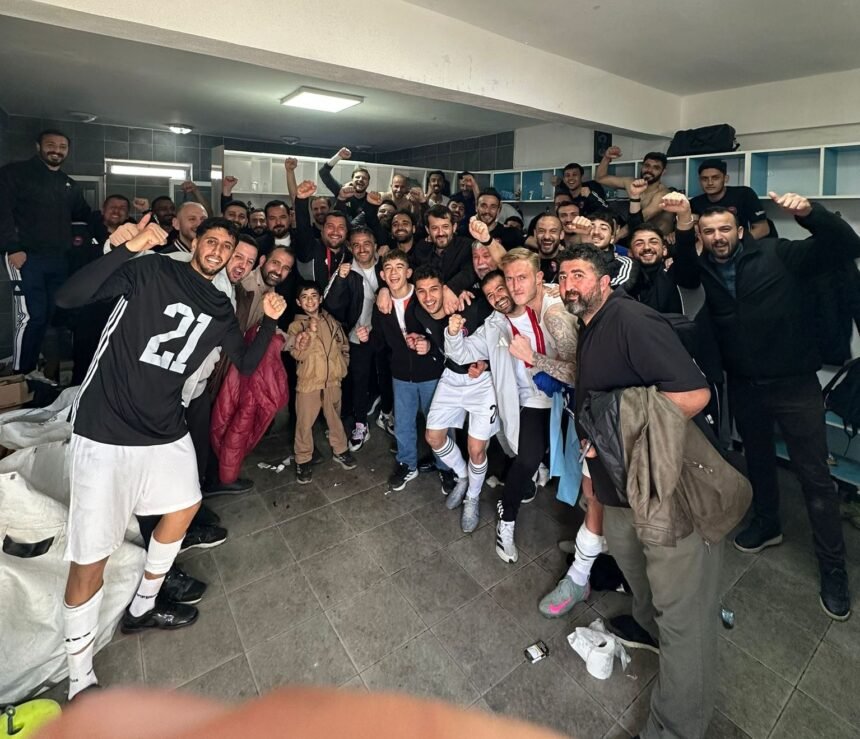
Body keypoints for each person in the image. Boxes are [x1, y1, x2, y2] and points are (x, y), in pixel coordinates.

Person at [54, 214, 286, 700]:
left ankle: (143, 605)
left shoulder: (220, 306)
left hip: (164, 426)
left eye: (227, 247)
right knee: (91, 557)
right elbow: (68, 298)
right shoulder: (152, 269)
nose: (219, 251)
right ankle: (79, 680)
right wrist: (130, 247)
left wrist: (268, 320)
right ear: (195, 242)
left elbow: (245, 364)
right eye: (212, 241)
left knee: (184, 505)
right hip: (107, 425)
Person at [671, 190, 858, 621]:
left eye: (724, 229)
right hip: (745, 384)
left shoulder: (780, 254)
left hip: (795, 385)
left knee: (815, 478)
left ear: (740, 231)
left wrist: (810, 213)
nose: (717, 237)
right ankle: (768, 523)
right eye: (708, 231)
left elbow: (848, 245)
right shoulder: (704, 266)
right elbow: (683, 273)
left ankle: (833, 570)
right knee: (757, 460)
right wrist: (682, 223)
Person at [561, 243, 718, 739]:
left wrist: (613, 429)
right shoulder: (591, 325)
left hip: (663, 491)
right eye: (563, 276)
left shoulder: (631, 320)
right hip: (619, 489)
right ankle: (649, 630)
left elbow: (693, 395)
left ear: (605, 280)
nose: (569, 284)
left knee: (684, 617)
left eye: (579, 274)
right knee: (637, 574)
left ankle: (674, 728)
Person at [446, 245, 576, 563]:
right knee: (527, 457)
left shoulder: (546, 306)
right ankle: (507, 517)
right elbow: (462, 352)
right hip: (532, 399)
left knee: (573, 459)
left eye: (501, 288)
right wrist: (453, 334)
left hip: (566, 392)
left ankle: (590, 540)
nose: (498, 296)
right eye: (490, 295)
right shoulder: (493, 326)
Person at [0, 128, 92, 374]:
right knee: (31, 316)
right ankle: (20, 373)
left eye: (62, 147)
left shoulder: (68, 184)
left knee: (49, 315)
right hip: (25, 256)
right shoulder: (15, 173)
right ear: (38, 147)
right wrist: (12, 248)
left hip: (58, 259)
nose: (56, 150)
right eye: (51, 145)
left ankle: (33, 367)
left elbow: (84, 215)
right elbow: (2, 211)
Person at [415, 266, 497, 532]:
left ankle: (472, 497)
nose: (428, 298)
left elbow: (500, 335)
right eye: (421, 291)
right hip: (451, 377)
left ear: (445, 289)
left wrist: (487, 364)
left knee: (477, 449)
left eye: (434, 289)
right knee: (433, 437)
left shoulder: (471, 305)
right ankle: (462, 477)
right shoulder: (419, 312)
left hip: (482, 381)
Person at [365, 250, 445, 491]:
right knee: (403, 424)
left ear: (409, 272)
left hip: (431, 372)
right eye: (388, 268)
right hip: (400, 374)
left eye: (399, 267)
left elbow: (444, 330)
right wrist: (367, 336)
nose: (394, 273)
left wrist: (429, 346)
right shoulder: (382, 304)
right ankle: (407, 463)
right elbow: (380, 342)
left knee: (439, 423)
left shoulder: (423, 296)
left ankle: (446, 467)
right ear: (382, 275)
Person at [323, 227, 388, 452]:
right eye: (356, 245)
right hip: (358, 335)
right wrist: (341, 279)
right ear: (350, 248)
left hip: (386, 334)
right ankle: (361, 424)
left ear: (375, 246)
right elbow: (331, 304)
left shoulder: (385, 267)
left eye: (366, 243)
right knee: (359, 380)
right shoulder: (346, 270)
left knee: (386, 376)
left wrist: (385, 289)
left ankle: (386, 414)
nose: (362, 249)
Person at [287, 282, 356, 484]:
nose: (310, 300)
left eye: (314, 295)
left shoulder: (331, 320)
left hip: (332, 380)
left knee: (334, 417)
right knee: (304, 423)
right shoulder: (296, 326)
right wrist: (311, 332)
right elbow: (299, 353)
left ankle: (340, 450)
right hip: (309, 382)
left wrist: (342, 365)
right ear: (298, 302)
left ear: (320, 298)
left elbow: (343, 344)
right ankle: (303, 459)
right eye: (305, 297)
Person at [595, 147, 674, 234]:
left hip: (657, 236)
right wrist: (606, 158)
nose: (649, 170)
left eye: (656, 168)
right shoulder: (631, 183)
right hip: (636, 231)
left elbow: (641, 218)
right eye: (647, 166)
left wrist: (615, 238)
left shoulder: (663, 194)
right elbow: (600, 178)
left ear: (663, 172)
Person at [690, 159, 770, 239]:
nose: (710, 183)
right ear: (699, 181)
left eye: (715, 178)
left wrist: (738, 244)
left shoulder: (744, 194)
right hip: (710, 244)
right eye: (704, 179)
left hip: (741, 243)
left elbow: (763, 229)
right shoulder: (695, 203)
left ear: (725, 178)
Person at [318, 147, 381, 224]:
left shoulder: (371, 201)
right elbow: (323, 173)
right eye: (357, 177)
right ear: (352, 180)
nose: (360, 179)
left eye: (364, 178)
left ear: (368, 183)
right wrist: (338, 156)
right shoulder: (342, 192)